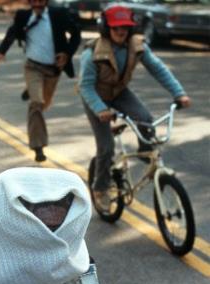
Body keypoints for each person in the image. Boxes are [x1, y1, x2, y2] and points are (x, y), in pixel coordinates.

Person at [78, 5, 191, 212]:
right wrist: (100, 109)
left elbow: (159, 69)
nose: (121, 32)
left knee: (146, 119)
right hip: (96, 97)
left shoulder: (137, 46)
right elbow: (84, 86)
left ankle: (144, 153)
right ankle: (100, 188)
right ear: (105, 28)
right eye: (116, 28)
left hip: (120, 93)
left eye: (125, 28)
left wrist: (179, 93)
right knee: (106, 147)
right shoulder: (92, 52)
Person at [0, 0, 80, 162]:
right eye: (34, 1)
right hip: (33, 67)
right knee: (37, 103)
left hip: (53, 70)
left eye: (41, 1)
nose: (38, 4)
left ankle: (31, 89)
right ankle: (38, 146)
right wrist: (1, 53)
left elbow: (76, 34)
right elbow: (13, 31)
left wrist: (66, 53)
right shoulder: (24, 16)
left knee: (44, 104)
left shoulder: (58, 15)